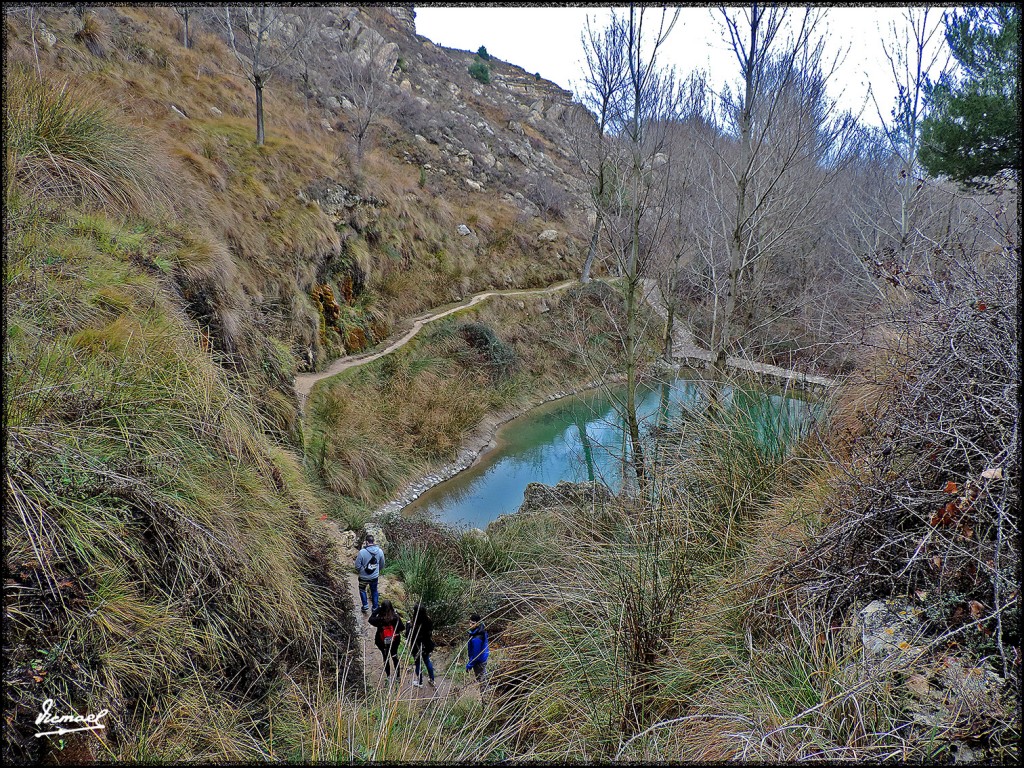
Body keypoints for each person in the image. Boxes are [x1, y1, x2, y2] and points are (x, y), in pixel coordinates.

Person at [368, 600, 405, 682]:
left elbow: (370, 619)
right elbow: (402, 628)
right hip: (394, 641)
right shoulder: (395, 618)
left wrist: (377, 610)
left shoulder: (379, 619)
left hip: (382, 642)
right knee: (395, 657)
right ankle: (398, 676)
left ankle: (388, 676)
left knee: (385, 658)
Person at [406, 603, 436, 688]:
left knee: (417, 663)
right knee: (427, 660)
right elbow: (430, 631)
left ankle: (420, 682)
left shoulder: (413, 624)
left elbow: (408, 635)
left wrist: (408, 625)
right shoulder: (428, 621)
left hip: (416, 646)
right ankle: (432, 679)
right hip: (426, 645)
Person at [354, 534, 385, 612]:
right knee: (374, 591)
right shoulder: (380, 551)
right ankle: (375, 607)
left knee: (362, 590)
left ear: (366, 542)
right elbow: (382, 564)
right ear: (373, 541)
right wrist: (377, 571)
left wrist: (361, 571)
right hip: (374, 577)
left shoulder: (362, 552)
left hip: (363, 577)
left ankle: (365, 606)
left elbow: (357, 566)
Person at [465, 613, 489, 685]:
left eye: (473, 623)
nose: (470, 625)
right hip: (483, 657)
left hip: (479, 662)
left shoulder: (476, 639)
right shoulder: (481, 628)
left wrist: (469, 666)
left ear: (478, 623)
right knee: (483, 678)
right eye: (470, 622)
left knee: (481, 681)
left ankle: (485, 695)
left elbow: (476, 656)